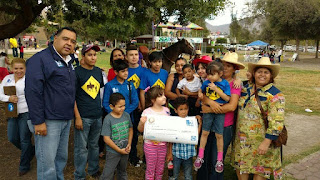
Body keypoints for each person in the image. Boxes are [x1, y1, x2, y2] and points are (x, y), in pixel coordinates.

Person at [25, 27, 77, 180]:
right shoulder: (40, 59)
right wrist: (38, 121)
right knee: (47, 166)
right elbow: (33, 92)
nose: (69, 43)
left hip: (65, 119)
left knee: (60, 161)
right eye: (65, 39)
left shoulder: (69, 61)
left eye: (73, 41)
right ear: (55, 38)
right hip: (48, 121)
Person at [232, 57, 285, 180]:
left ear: (271, 76)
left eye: (266, 72)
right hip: (242, 143)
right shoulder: (246, 88)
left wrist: (266, 142)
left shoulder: (275, 95)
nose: (262, 75)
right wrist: (238, 79)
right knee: (242, 170)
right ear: (254, 74)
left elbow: (277, 122)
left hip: (262, 144)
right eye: (259, 72)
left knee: (260, 174)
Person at [198, 52, 245, 180]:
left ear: (234, 69)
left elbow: (231, 106)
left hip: (224, 127)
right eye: (223, 65)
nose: (224, 68)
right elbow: (204, 96)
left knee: (216, 160)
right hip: (209, 125)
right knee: (204, 157)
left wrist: (209, 109)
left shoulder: (234, 84)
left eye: (228, 66)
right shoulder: (212, 79)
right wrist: (210, 103)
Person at [194, 61, 231, 172]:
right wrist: (200, 93)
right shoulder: (207, 82)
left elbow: (227, 99)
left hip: (220, 112)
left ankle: (219, 160)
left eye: (212, 74)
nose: (209, 76)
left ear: (220, 73)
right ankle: (200, 156)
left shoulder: (224, 84)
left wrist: (216, 89)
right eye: (208, 74)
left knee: (219, 135)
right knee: (205, 133)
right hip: (208, 112)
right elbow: (201, 90)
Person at [73, 44, 104, 179]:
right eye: (90, 55)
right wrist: (77, 117)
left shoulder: (98, 72)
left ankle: (93, 169)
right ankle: (79, 174)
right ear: (83, 56)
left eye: (95, 55)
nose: (93, 57)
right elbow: (72, 97)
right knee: (81, 148)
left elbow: (99, 92)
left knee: (94, 145)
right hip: (83, 116)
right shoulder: (76, 72)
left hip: (97, 115)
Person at [0, 58, 34, 176]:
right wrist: (8, 98)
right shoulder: (7, 79)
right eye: (16, 68)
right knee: (12, 138)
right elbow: (0, 94)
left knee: (24, 139)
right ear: (11, 69)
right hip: (12, 113)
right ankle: (31, 151)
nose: (18, 71)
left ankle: (24, 165)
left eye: (21, 68)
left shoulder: (29, 80)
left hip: (26, 112)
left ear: (25, 69)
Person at [138, 86, 170, 180]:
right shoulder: (147, 112)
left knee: (160, 167)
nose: (164, 97)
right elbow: (140, 130)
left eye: (164, 95)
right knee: (150, 168)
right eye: (160, 96)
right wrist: (141, 123)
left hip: (163, 145)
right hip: (150, 145)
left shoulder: (166, 111)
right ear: (153, 99)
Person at [100, 93, 133, 180]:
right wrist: (118, 150)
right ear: (111, 106)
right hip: (113, 152)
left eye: (124, 106)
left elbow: (130, 129)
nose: (123, 108)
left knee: (122, 171)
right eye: (120, 106)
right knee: (108, 173)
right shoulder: (108, 119)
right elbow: (106, 139)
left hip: (125, 149)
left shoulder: (126, 115)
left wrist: (129, 144)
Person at [167, 97, 202, 180]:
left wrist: (199, 124)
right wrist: (169, 153)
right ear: (176, 110)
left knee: (188, 175)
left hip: (188, 153)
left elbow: (195, 135)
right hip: (176, 153)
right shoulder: (174, 122)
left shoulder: (191, 121)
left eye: (185, 109)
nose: (183, 111)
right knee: (173, 175)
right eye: (181, 109)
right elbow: (170, 139)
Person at [126, 44, 145, 167]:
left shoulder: (144, 71)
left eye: (136, 55)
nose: (134, 57)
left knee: (143, 133)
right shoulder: (124, 70)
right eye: (131, 55)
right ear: (126, 57)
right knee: (131, 133)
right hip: (128, 107)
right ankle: (132, 156)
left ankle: (147, 157)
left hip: (142, 107)